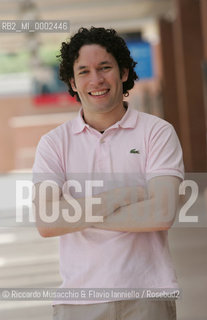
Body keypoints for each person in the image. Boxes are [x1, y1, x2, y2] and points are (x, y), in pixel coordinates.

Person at [32, 27, 184, 320]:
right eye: (84, 71)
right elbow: (47, 221)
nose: (96, 80)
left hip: (147, 296)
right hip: (78, 300)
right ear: (72, 82)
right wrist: (123, 196)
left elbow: (162, 213)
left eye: (105, 67)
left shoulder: (157, 133)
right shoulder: (54, 143)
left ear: (124, 72)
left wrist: (77, 216)